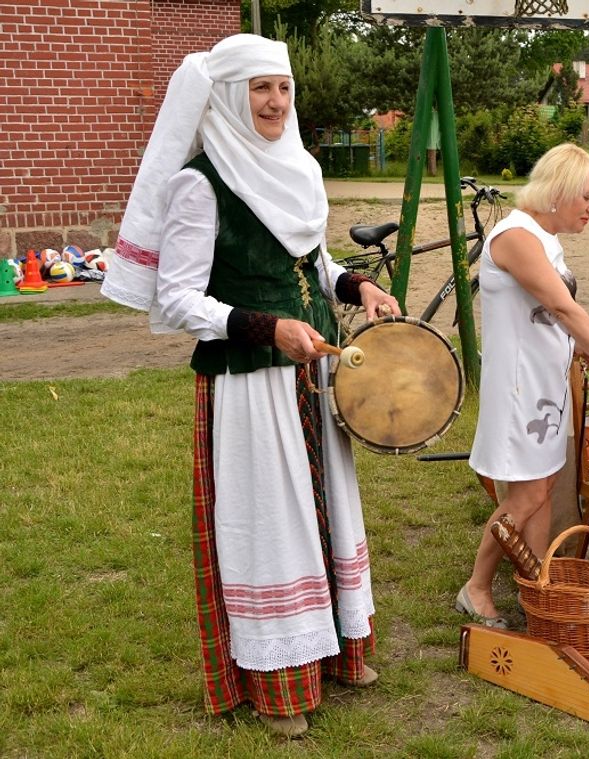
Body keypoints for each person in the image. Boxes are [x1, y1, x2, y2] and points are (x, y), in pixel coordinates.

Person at [100, 34, 400, 739]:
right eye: (259, 89)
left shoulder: (297, 167)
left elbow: (313, 258)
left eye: (283, 88)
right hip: (250, 381)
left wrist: (359, 285)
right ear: (231, 96)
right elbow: (174, 299)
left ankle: (339, 650)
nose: (274, 102)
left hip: (315, 370)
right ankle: (277, 681)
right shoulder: (200, 183)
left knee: (328, 506)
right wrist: (265, 328)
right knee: (271, 522)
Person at [459, 143, 589, 626]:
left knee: (543, 490)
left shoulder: (546, 239)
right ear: (559, 190)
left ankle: (537, 588)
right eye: (587, 198)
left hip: (544, 388)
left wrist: (584, 351)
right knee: (525, 496)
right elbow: (564, 309)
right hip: (519, 390)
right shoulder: (515, 236)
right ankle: (477, 586)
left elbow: (550, 320)